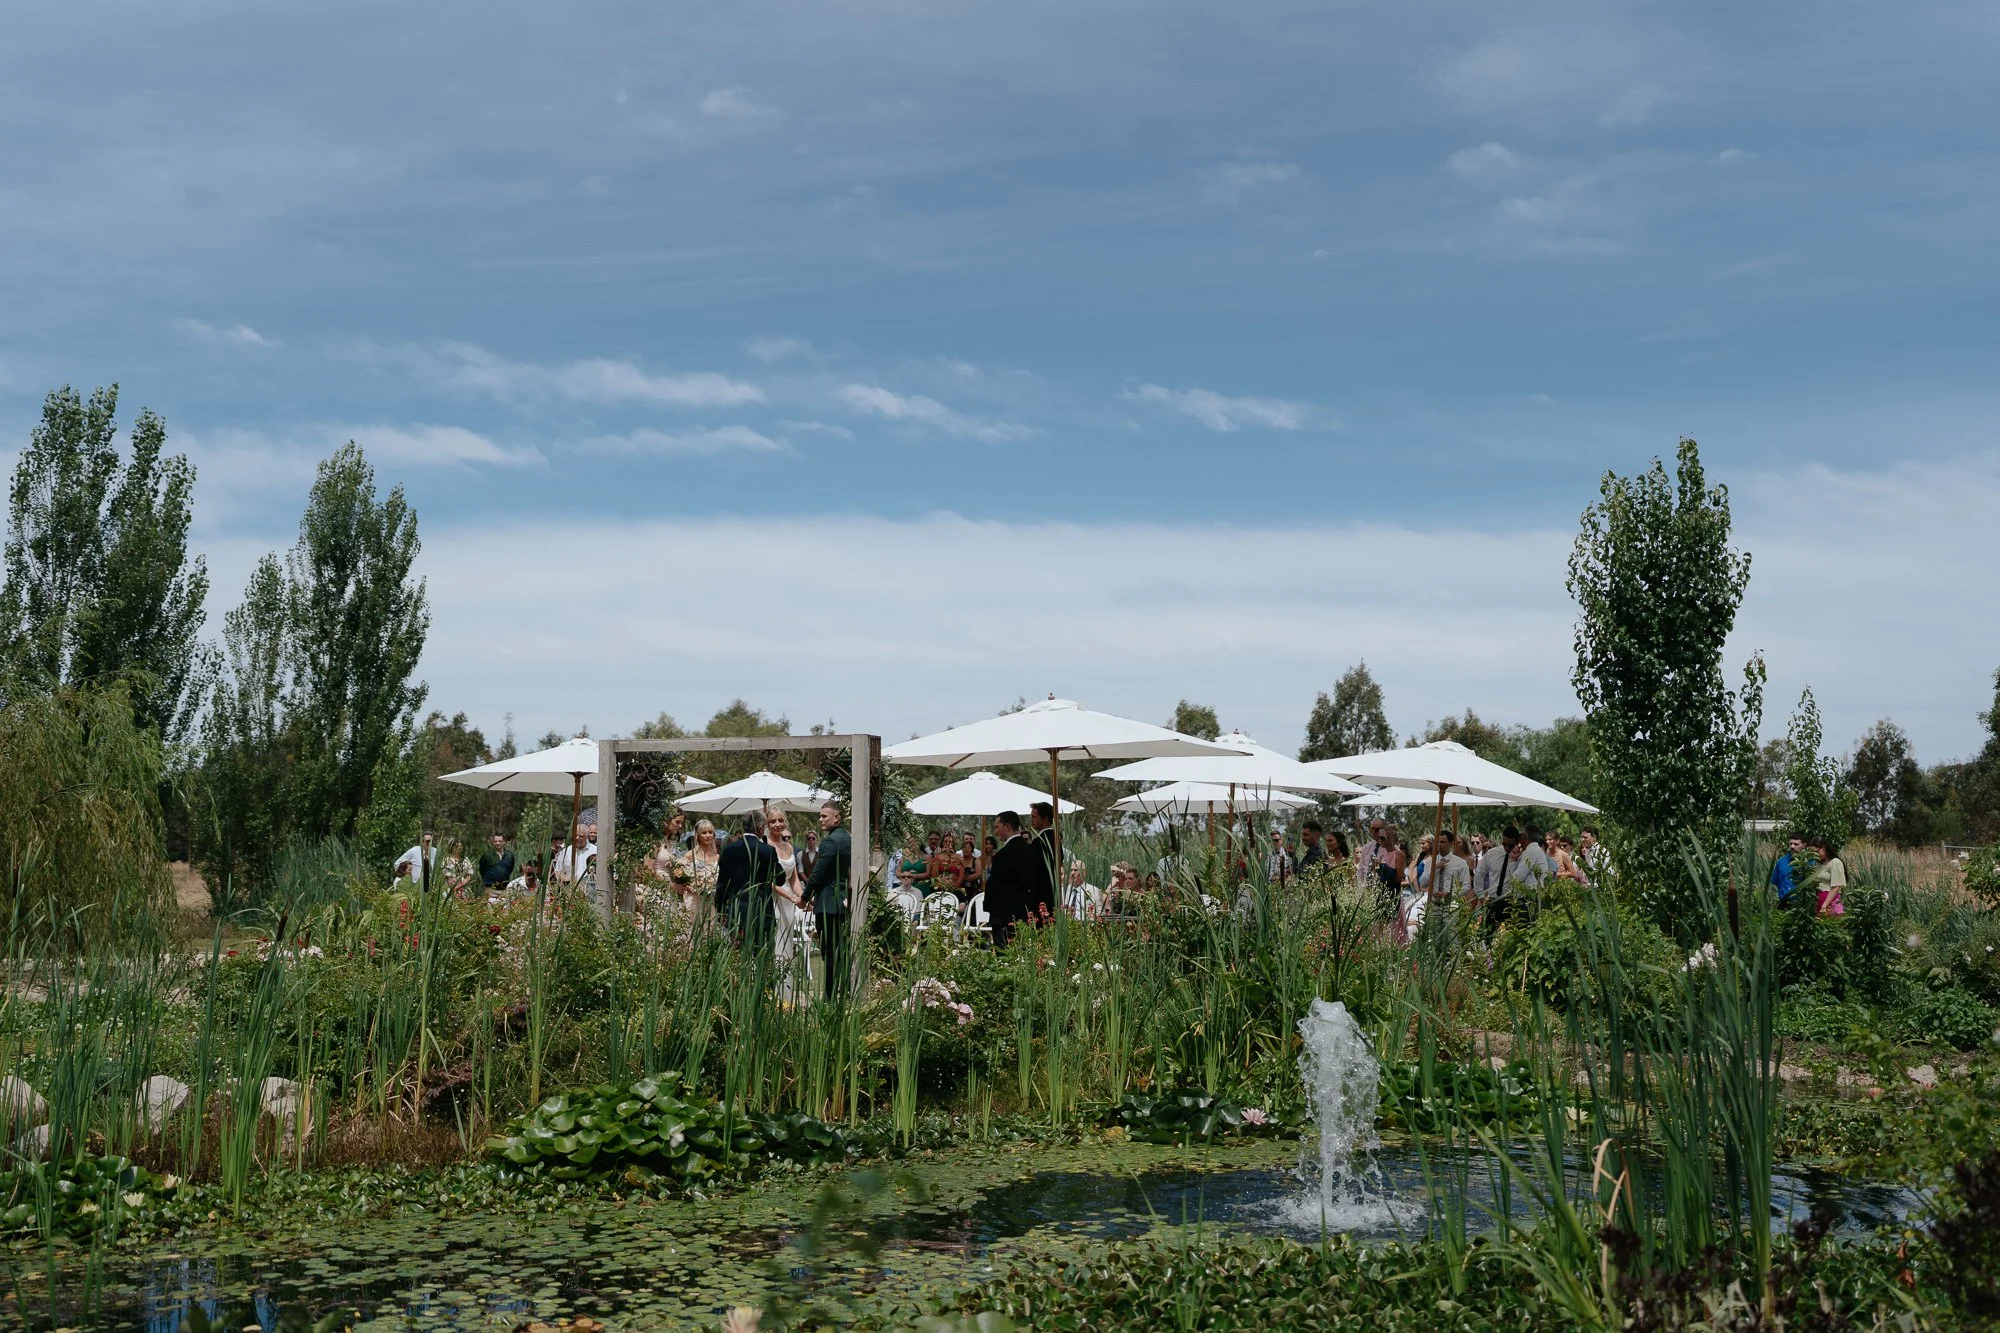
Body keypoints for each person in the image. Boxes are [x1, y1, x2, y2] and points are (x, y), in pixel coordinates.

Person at [801, 800, 853, 999]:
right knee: (840, 949)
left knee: (829, 951)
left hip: (828, 902)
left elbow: (818, 874)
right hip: (841, 901)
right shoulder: (847, 839)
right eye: (820, 816)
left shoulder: (830, 841)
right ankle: (845, 988)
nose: (820, 819)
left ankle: (830, 994)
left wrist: (804, 898)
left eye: (824, 816)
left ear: (836, 817)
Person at [985, 810, 1053, 948]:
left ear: (1008, 827)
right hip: (1026, 914)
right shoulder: (1032, 851)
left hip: (1003, 916)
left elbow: (996, 887)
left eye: (997, 827)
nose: (995, 831)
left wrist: (989, 907)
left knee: (1004, 956)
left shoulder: (1002, 855)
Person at [716, 810, 781, 950]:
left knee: (737, 959)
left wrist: (720, 911)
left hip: (737, 913)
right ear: (760, 827)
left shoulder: (728, 850)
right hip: (762, 913)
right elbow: (780, 878)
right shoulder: (767, 851)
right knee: (762, 961)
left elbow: (721, 885)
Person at [766, 810, 810, 981]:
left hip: (789, 902)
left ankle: (787, 987)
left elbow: (794, 879)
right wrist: (790, 897)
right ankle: (774, 986)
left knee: (787, 943)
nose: (777, 824)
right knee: (776, 940)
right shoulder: (766, 845)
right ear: (768, 825)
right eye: (772, 821)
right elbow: (767, 880)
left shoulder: (789, 846)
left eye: (780, 820)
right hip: (774, 899)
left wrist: (802, 897)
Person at [552, 827, 597, 896]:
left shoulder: (596, 851)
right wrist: (567, 879)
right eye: (575, 835)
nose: (577, 838)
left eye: (581, 836)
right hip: (570, 893)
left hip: (590, 892)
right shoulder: (565, 852)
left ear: (587, 836)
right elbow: (557, 871)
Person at [1811, 838, 1847, 915]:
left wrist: (1824, 906)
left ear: (1824, 848)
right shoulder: (1818, 864)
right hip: (1819, 902)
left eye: (1816, 852)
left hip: (1831, 903)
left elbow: (1835, 887)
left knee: (1833, 924)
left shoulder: (1835, 862)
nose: (1815, 855)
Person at [1770, 834, 1805, 902]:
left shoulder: (1810, 863)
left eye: (1796, 844)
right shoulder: (1781, 862)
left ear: (1804, 845)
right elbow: (1775, 882)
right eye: (1790, 843)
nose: (1792, 846)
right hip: (1783, 903)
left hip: (1801, 904)